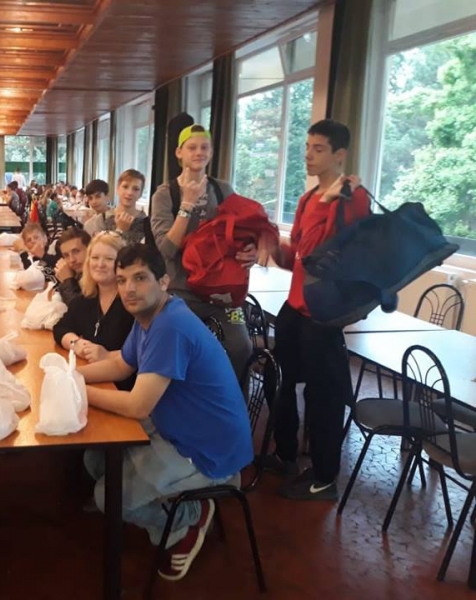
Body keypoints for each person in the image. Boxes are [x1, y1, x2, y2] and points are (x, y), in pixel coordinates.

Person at [78, 244, 253, 581]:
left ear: (163, 282)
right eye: (122, 280)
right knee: (96, 459)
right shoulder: (150, 316)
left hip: (209, 452)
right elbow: (120, 364)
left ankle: (188, 518)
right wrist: (69, 375)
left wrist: (76, 391)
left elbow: (137, 406)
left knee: (108, 497)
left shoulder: (170, 326)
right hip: (177, 428)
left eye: (140, 278)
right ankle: (167, 502)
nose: (129, 289)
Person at [268, 119, 370, 501]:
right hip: (295, 307)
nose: (308, 155)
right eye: (307, 147)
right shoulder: (308, 198)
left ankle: (325, 477)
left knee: (323, 396)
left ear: (339, 155)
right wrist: (271, 246)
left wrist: (330, 202)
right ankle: (286, 454)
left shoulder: (353, 198)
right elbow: (297, 255)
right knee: (281, 382)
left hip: (322, 315)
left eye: (318, 149)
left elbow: (320, 252)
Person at [150, 124, 258, 378]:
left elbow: (242, 232)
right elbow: (166, 248)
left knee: (241, 347)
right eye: (192, 147)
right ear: (179, 152)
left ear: (211, 152)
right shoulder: (165, 194)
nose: (199, 152)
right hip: (180, 292)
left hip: (222, 293)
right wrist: (187, 204)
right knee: (178, 350)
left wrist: (251, 251)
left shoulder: (223, 190)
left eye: (204, 147)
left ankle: (233, 401)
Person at [53, 233, 135, 390]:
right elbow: (61, 328)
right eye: (95, 258)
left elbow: (140, 353)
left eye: (109, 259)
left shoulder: (132, 303)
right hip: (93, 381)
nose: (100, 264)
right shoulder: (84, 300)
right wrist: (76, 343)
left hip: (122, 388)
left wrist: (107, 355)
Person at [94, 169, 155, 246]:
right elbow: (100, 249)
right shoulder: (102, 219)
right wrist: (120, 230)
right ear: (117, 188)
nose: (129, 193)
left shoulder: (148, 223)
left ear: (140, 194)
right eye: (125, 187)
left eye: (136, 189)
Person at [54, 227, 91, 305]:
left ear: (90, 249)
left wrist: (67, 281)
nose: (72, 260)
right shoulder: (74, 274)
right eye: (66, 255)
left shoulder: (99, 277)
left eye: (76, 251)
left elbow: (80, 310)